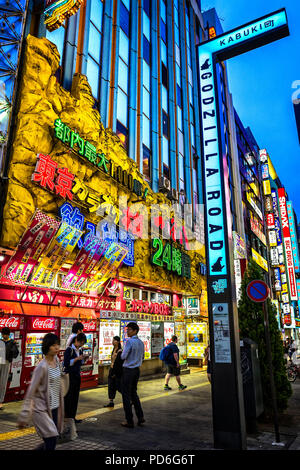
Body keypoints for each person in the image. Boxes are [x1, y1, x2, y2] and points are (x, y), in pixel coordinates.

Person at [17, 333, 64, 451]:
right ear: (47, 347)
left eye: (58, 344)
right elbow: (31, 391)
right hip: (41, 408)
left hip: (54, 407)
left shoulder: (57, 362)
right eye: (53, 345)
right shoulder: (41, 367)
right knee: (51, 438)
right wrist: (24, 415)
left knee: (51, 438)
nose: (57, 347)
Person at [63, 332, 87, 440]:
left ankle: (72, 416)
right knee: (69, 397)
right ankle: (67, 417)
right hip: (70, 376)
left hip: (77, 376)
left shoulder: (80, 350)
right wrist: (77, 359)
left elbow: (79, 364)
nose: (81, 345)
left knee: (75, 397)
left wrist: (83, 359)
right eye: (81, 343)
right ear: (77, 340)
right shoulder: (69, 350)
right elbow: (66, 363)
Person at [120, 322, 145, 428]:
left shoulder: (130, 342)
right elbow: (142, 357)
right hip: (136, 370)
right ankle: (140, 417)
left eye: (129, 329)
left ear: (135, 331)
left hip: (128, 370)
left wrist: (121, 353)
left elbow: (123, 356)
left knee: (126, 395)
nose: (127, 331)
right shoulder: (141, 342)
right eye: (127, 329)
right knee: (134, 394)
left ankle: (129, 420)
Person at [0, 327, 19, 410]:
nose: (3, 336)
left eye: (4, 334)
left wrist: (14, 346)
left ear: (7, 335)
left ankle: (0, 401)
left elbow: (15, 354)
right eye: (2, 334)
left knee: (3, 382)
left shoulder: (12, 342)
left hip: (6, 362)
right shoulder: (0, 341)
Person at [103, 336, 123, 408]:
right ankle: (111, 401)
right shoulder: (114, 349)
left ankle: (129, 398)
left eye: (114, 340)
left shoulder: (120, 351)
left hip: (116, 370)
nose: (112, 341)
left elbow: (119, 363)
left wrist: (115, 372)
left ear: (117, 342)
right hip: (112, 369)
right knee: (111, 386)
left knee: (119, 386)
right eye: (112, 340)